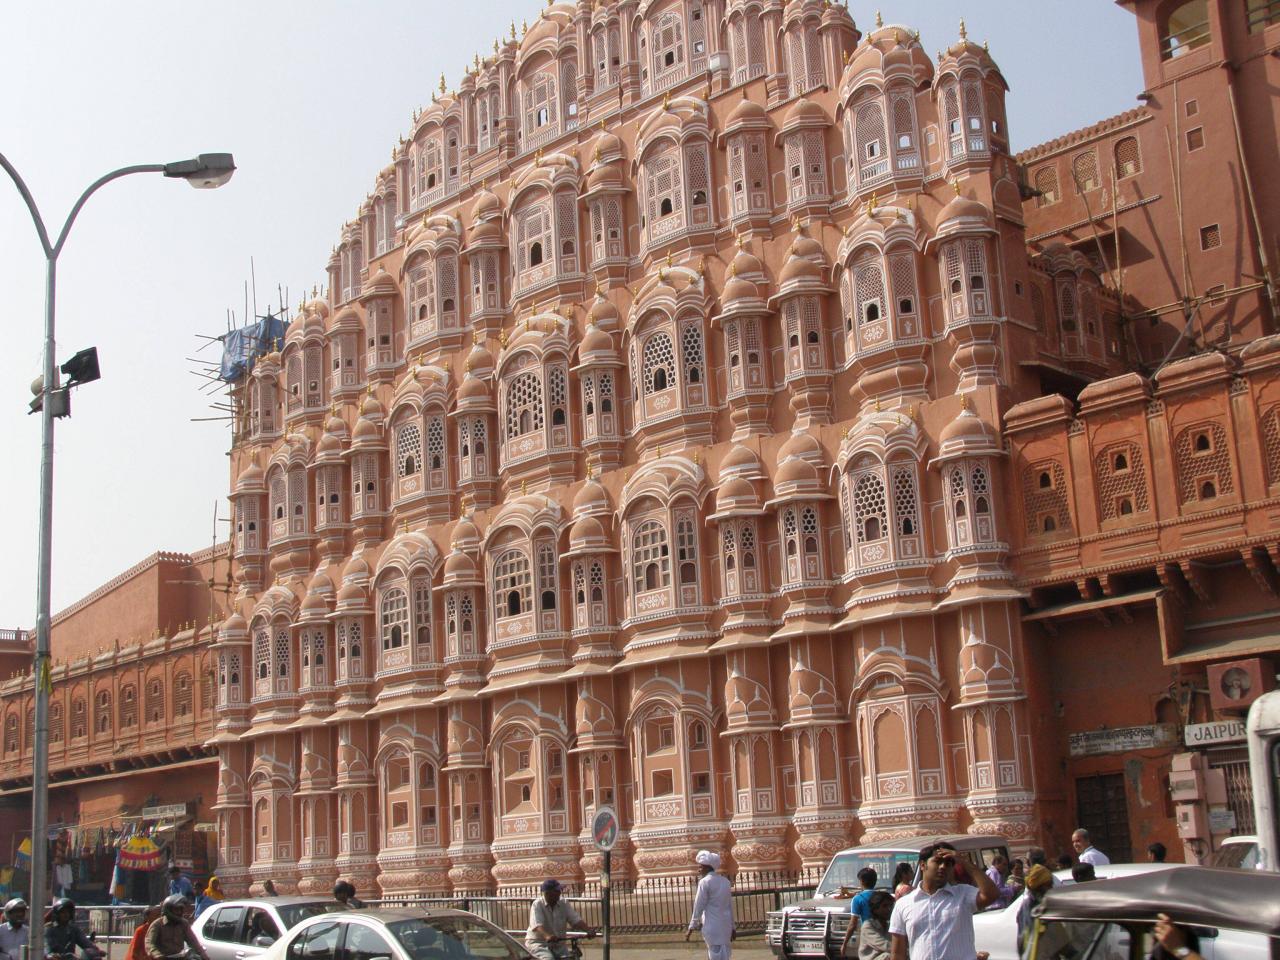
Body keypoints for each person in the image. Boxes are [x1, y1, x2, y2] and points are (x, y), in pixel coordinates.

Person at [888, 842, 1000, 960]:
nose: (943, 867)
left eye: (948, 863)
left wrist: (963, 861)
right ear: (922, 865)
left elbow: (992, 894)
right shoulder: (904, 904)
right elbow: (897, 953)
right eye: (937, 861)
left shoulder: (963, 894)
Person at [527, 879, 593, 960]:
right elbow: (537, 925)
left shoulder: (564, 903)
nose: (560, 893)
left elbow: (575, 920)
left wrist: (588, 930)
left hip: (559, 945)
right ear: (547, 893)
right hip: (539, 944)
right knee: (548, 959)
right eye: (557, 891)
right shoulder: (537, 904)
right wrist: (547, 936)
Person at [686, 851, 734, 960]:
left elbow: (699, 905)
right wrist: (733, 927)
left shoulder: (705, 882)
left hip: (712, 926)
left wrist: (691, 927)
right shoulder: (725, 882)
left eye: (700, 867)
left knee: (714, 954)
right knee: (725, 954)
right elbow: (729, 906)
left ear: (707, 867)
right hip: (726, 926)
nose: (699, 870)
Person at [145, 895, 209, 960]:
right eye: (176, 909)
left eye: (181, 909)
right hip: (163, 958)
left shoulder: (184, 924)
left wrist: (203, 954)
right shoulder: (157, 924)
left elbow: (193, 941)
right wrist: (157, 955)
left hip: (180, 957)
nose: (179, 912)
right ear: (168, 909)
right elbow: (149, 943)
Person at [839, 868, 878, 954]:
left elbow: (852, 924)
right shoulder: (883, 896)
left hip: (868, 937)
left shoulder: (858, 899)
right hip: (884, 935)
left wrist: (844, 943)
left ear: (862, 881)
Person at [1015, 865, 1053, 953]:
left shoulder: (1043, 902)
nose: (1051, 888)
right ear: (1038, 886)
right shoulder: (1030, 905)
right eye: (1048, 885)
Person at [855, 892, 894, 960]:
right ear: (875, 909)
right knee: (891, 955)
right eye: (885, 906)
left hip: (884, 956)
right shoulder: (868, 925)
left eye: (890, 906)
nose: (889, 909)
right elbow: (885, 945)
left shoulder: (889, 925)